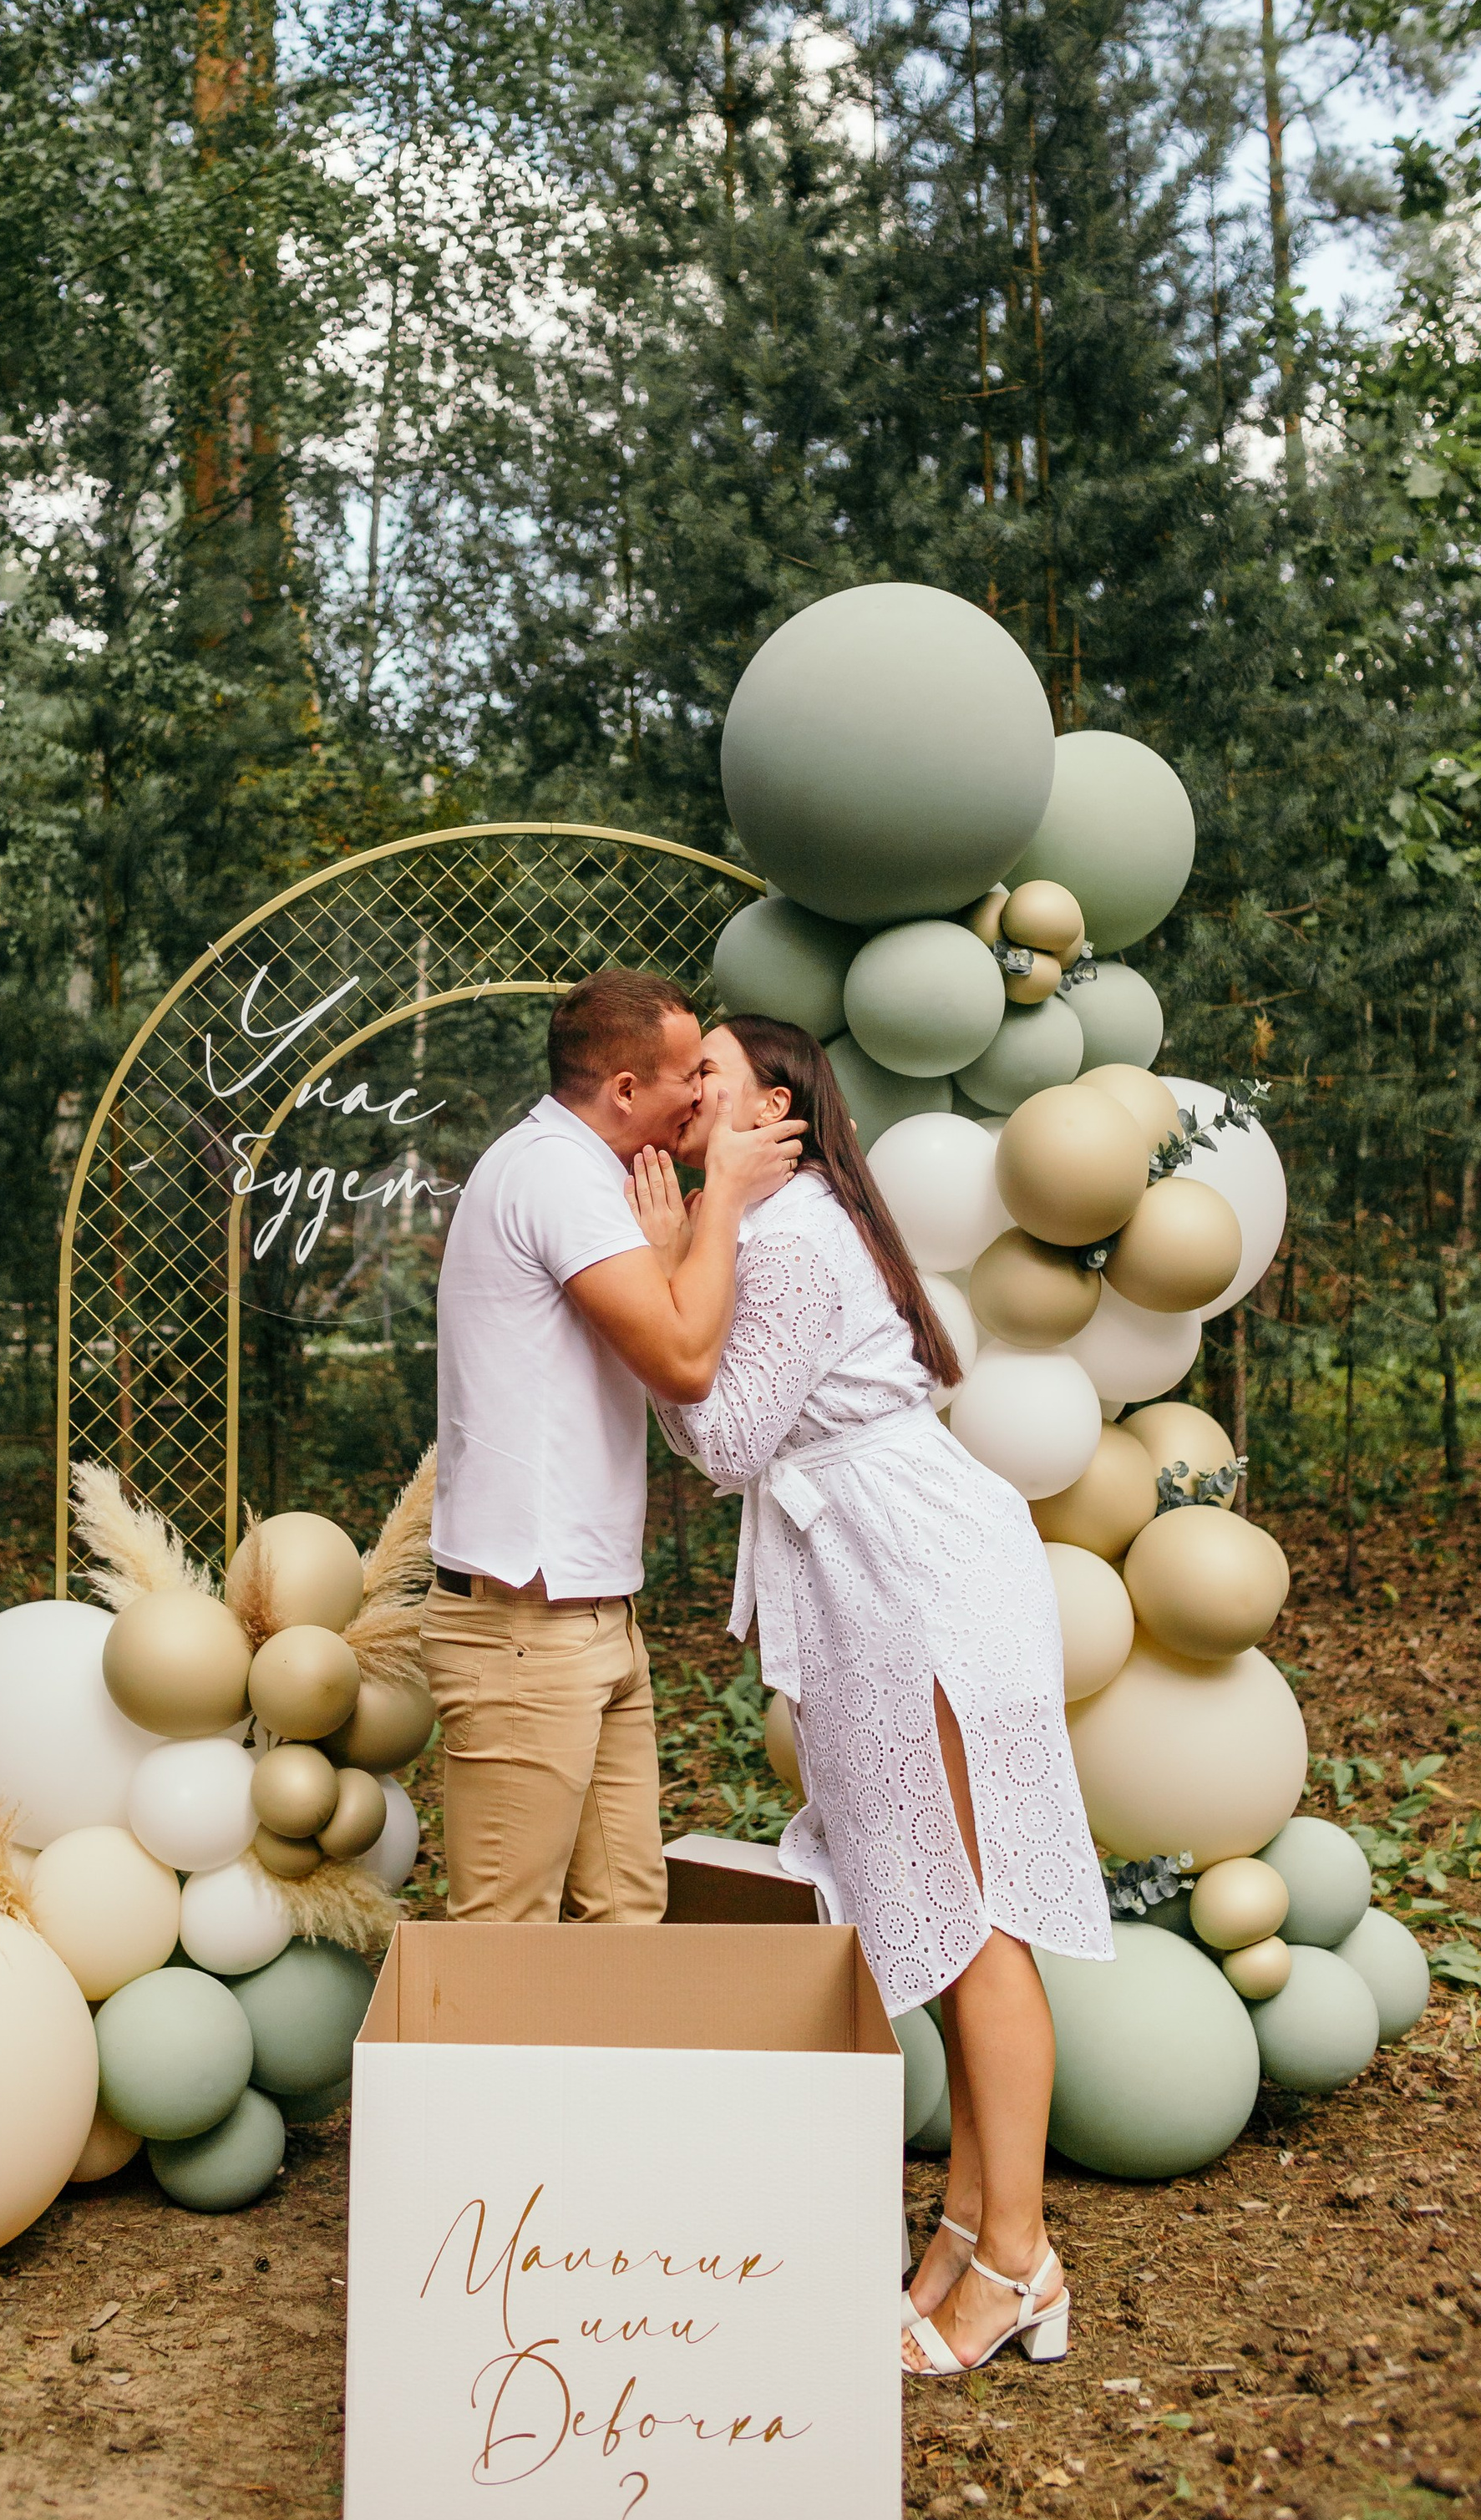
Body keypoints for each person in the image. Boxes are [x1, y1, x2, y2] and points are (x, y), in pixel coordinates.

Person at [635, 1012, 1111, 2378]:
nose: (686, 1095)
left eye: (708, 1076)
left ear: (774, 1109)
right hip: (885, 1566)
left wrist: (674, 1260)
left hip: (917, 1579)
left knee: (968, 1917)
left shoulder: (783, 1238)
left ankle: (1015, 2261)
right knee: (936, 1906)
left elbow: (724, 1439)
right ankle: (967, 2232)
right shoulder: (792, 1226)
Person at [425, 967, 802, 1926]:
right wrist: (718, 1201)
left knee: (626, 1918)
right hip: (526, 1629)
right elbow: (682, 1361)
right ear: (627, 1090)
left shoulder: (586, 1174)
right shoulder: (555, 1174)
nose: (700, 1095)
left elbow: (661, 1328)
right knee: (501, 1942)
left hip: (590, 1615)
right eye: (688, 1074)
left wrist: (683, 1239)